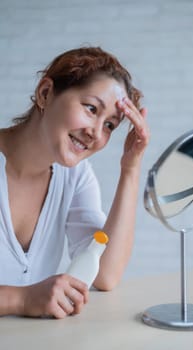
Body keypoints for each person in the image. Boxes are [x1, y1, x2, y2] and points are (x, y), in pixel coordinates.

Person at [0, 46, 149, 319]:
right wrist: (20, 299)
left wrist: (131, 168)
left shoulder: (75, 176)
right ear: (45, 93)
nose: (95, 133)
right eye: (91, 108)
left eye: (109, 126)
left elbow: (105, 273)